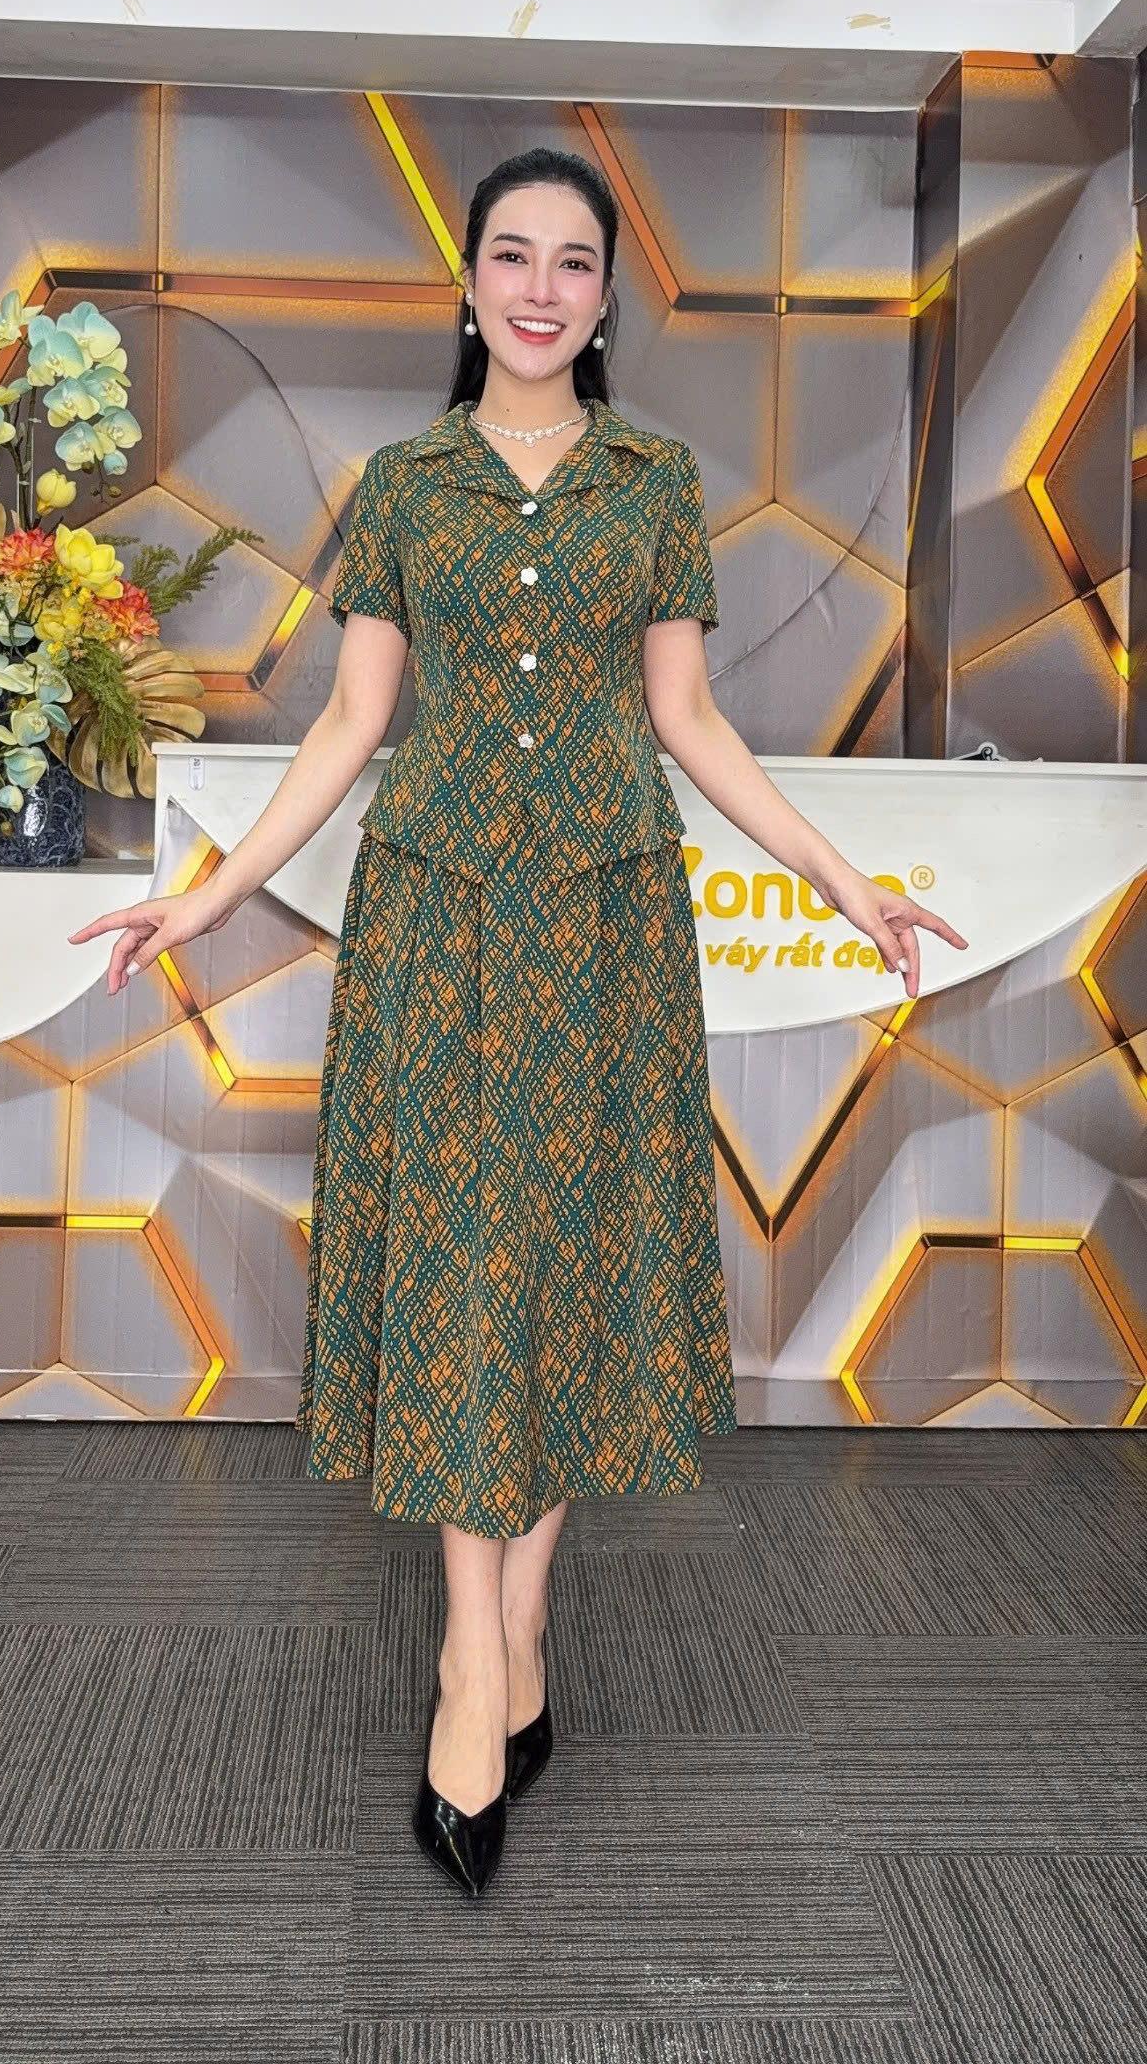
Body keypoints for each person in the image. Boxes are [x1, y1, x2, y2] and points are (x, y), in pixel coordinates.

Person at [69, 144, 968, 1901]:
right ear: (467, 283)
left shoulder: (655, 481)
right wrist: (205, 895)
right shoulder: (405, 485)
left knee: (564, 1267)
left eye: (573, 260)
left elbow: (691, 722)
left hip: (609, 928)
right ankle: (471, 1662)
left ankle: (520, 1619)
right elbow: (352, 727)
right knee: (465, 1273)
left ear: (607, 296)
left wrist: (847, 880)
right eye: (512, 254)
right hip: (441, 925)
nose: (541, 287)